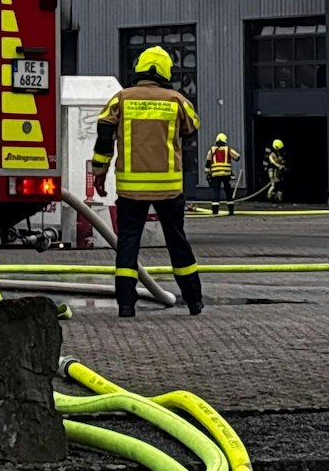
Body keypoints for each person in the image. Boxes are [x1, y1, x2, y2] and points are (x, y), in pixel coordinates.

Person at [91, 46, 205, 317]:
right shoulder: (177, 101)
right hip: (168, 188)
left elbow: (104, 135)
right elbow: (192, 127)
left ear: (139, 68)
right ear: (166, 71)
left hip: (131, 188)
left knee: (128, 243)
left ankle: (126, 305)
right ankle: (194, 301)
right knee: (177, 241)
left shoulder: (121, 99)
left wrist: (99, 171)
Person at [204, 133, 238, 215]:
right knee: (228, 192)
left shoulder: (212, 150)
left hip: (215, 175)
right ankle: (231, 210)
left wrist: (208, 173)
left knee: (216, 192)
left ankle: (215, 211)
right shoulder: (228, 150)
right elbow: (237, 157)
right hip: (226, 174)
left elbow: (208, 162)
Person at [265, 139, 288, 203]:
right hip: (272, 171)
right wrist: (279, 166)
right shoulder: (272, 155)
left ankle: (277, 196)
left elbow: (282, 160)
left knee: (279, 184)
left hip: (277, 171)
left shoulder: (279, 154)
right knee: (273, 185)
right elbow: (273, 162)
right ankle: (269, 195)